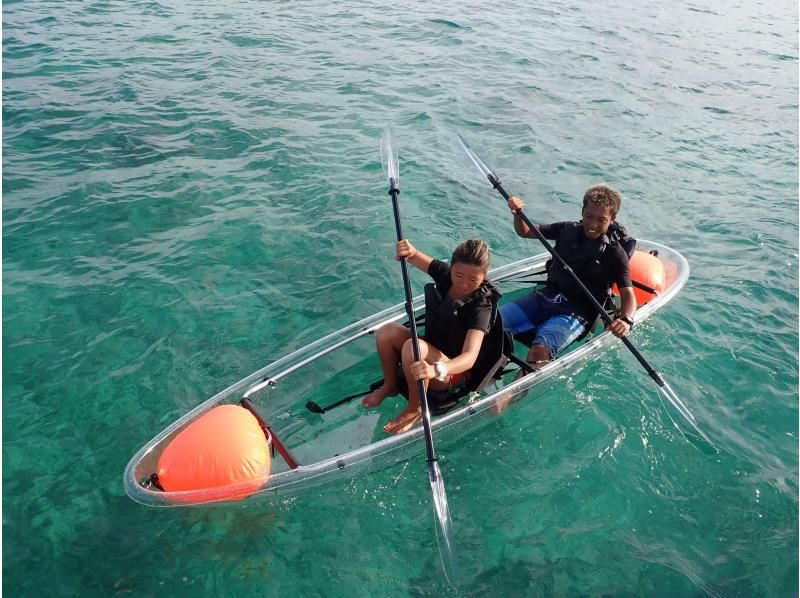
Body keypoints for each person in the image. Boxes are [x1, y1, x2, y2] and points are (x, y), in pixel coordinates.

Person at [362, 238, 500, 434]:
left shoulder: (481, 307)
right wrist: (407, 250)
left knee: (413, 346)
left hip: (452, 371)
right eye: (458, 275)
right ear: (451, 268)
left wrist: (438, 369)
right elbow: (414, 255)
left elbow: (469, 357)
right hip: (431, 348)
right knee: (387, 331)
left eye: (473, 280)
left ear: (484, 277)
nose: (463, 284)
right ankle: (390, 385)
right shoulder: (444, 274)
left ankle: (416, 408)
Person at [501, 184, 637, 372]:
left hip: (577, 313)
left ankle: (506, 400)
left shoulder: (615, 254)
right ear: (582, 211)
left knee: (539, 351)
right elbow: (525, 231)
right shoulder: (567, 230)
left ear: (612, 219)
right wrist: (517, 213)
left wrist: (627, 320)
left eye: (601, 220)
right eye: (588, 216)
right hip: (547, 296)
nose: (592, 225)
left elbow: (628, 295)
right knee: (492, 322)